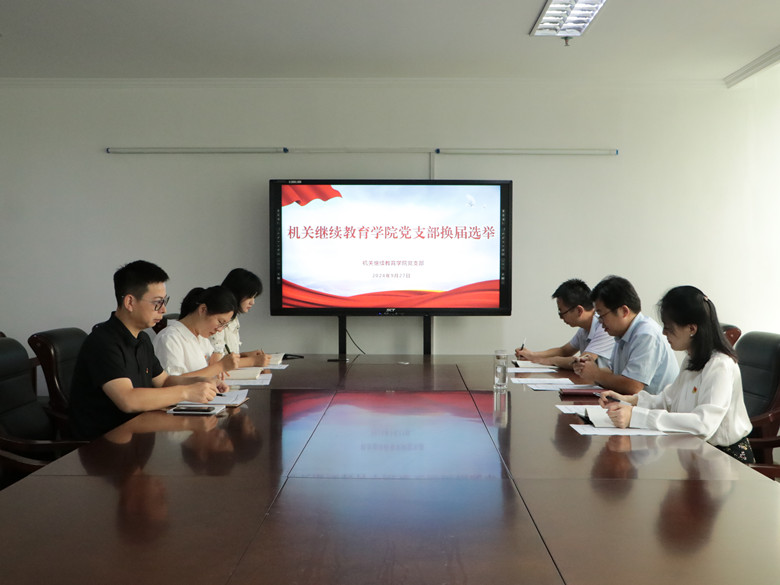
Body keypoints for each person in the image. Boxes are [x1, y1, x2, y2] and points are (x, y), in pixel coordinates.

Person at [598, 285, 754, 463]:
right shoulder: (691, 359)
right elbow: (667, 401)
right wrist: (628, 400)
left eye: (669, 328)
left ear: (692, 329)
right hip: (694, 450)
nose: (664, 333)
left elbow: (703, 425)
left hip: (725, 458)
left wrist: (636, 416)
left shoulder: (720, 365)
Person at [69, 260, 223, 440]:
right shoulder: (103, 342)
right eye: (157, 303)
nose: (163, 309)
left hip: (139, 434)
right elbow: (127, 400)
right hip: (104, 445)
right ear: (130, 302)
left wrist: (200, 381)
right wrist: (187, 392)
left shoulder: (142, 339)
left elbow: (164, 381)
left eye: (164, 301)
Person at [573, 275, 678, 394]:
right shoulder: (622, 334)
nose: (600, 323)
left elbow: (633, 386)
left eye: (602, 316)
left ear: (624, 311)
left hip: (656, 405)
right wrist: (589, 367)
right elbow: (614, 373)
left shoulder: (646, 335)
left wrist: (595, 374)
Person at [515, 278, 614, 369]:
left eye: (562, 313)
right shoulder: (584, 329)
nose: (561, 318)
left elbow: (582, 362)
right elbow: (564, 351)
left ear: (579, 310)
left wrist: (552, 360)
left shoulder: (604, 327)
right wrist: (532, 355)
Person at [153, 286, 241, 377]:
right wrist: (219, 366)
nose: (220, 329)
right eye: (220, 322)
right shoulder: (169, 338)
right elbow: (171, 381)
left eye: (224, 325)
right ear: (203, 309)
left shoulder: (202, 339)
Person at [210, 268, 271, 367]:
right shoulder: (217, 318)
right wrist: (252, 361)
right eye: (250, 297)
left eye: (254, 297)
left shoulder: (233, 318)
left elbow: (226, 356)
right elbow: (216, 363)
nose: (252, 302)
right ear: (237, 293)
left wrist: (244, 356)